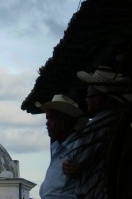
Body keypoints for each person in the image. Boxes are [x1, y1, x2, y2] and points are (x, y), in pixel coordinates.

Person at [63, 66, 132, 199]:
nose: (86, 99)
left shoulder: (97, 126)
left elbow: (74, 161)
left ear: (98, 98)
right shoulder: (121, 124)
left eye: (88, 94)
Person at [36, 94, 88, 199]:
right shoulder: (57, 148)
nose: (47, 123)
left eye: (51, 118)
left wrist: (80, 171)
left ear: (65, 121)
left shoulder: (79, 146)